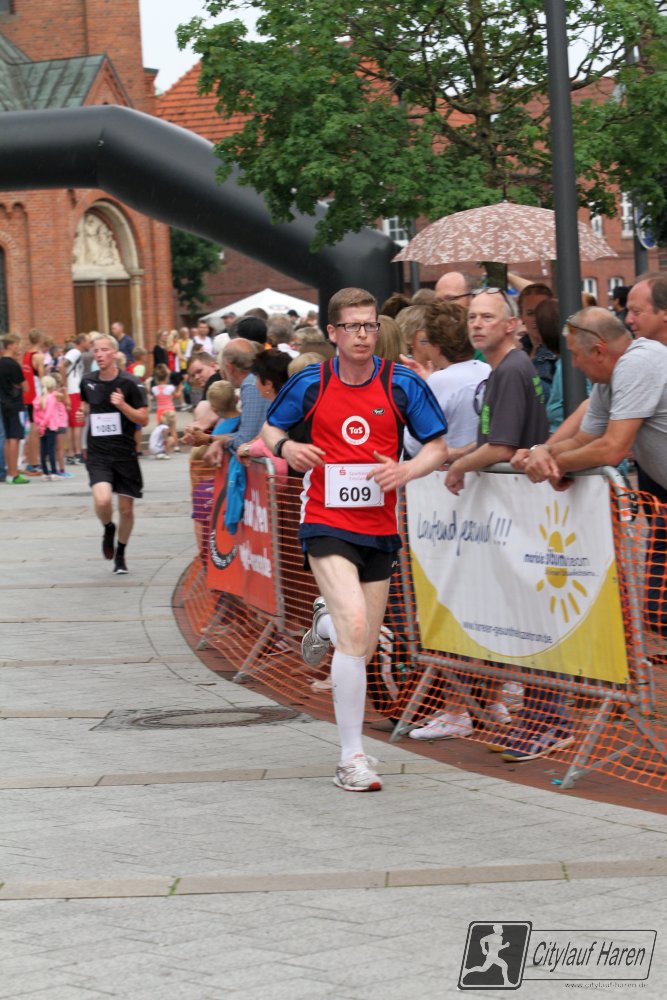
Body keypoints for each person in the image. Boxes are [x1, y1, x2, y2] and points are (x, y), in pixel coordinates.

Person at [261, 287, 449, 792]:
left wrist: (408, 469)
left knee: (359, 646)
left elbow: (438, 445)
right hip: (325, 518)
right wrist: (289, 448)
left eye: (370, 325)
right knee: (358, 625)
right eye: (353, 326)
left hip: (379, 527)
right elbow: (270, 430)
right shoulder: (311, 382)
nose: (363, 335)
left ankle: (325, 626)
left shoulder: (402, 383)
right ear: (333, 332)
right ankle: (351, 758)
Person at [410, 289, 551, 748]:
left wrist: (457, 467)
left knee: (511, 608)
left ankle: (537, 714)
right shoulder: (502, 369)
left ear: (510, 325)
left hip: (518, 509)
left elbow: (502, 447)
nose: (476, 324)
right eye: (472, 317)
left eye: (487, 317)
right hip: (511, 508)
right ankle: (505, 703)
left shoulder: (509, 370)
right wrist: (457, 455)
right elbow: (492, 439)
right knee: (499, 606)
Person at [522, 307, 667, 634]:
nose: (573, 364)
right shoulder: (609, 378)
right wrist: (541, 451)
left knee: (659, 612)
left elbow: (612, 448)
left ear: (600, 351)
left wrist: (552, 464)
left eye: (575, 355)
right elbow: (584, 440)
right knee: (658, 613)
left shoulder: (637, 363)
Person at [78, 333, 149, 575]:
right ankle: (108, 527)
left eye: (104, 350)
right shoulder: (87, 381)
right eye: (96, 350)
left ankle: (121, 554)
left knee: (126, 510)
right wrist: (82, 414)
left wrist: (122, 405)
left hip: (125, 454)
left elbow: (143, 419)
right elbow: (87, 406)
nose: (99, 354)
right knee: (103, 501)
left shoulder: (130, 383)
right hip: (98, 453)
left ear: (115, 354)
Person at [0, 333, 29, 484]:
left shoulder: (1, 363)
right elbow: (25, 386)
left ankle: (8, 471)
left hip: (3, 404)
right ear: (10, 345)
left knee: (7, 439)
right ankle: (14, 473)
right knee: (15, 439)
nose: (19, 347)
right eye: (17, 344)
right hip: (15, 404)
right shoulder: (13, 365)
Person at [63, 332, 88, 465]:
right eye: (88, 341)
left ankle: (72, 454)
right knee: (77, 423)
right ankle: (77, 453)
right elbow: (62, 366)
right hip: (74, 391)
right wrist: (65, 387)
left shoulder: (75, 353)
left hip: (73, 390)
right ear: (82, 342)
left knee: (72, 424)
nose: (89, 344)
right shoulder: (75, 352)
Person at [33, 374, 62, 479]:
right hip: (50, 426)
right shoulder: (51, 398)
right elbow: (48, 414)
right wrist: (43, 425)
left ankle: (45, 473)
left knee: (43, 450)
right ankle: (54, 472)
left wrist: (39, 425)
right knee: (51, 450)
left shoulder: (38, 398)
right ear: (52, 386)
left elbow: (35, 415)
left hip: (41, 427)